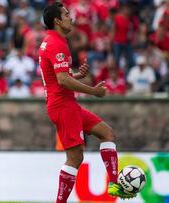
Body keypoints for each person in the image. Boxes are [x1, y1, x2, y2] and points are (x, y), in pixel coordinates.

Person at [38, 2, 136, 202]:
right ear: (57, 20)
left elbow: (59, 76)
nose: (70, 17)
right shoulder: (57, 43)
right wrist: (94, 91)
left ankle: (114, 185)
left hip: (66, 103)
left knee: (107, 133)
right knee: (75, 158)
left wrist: (77, 75)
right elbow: (62, 80)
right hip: (62, 106)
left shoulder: (51, 41)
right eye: (66, 14)